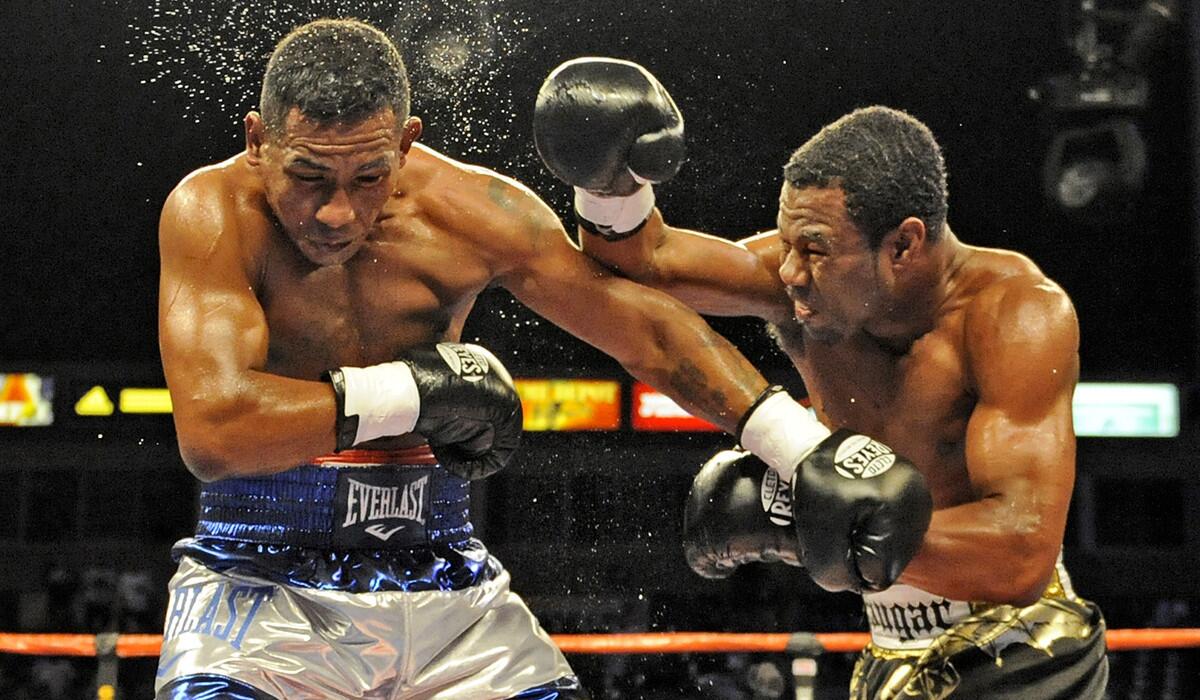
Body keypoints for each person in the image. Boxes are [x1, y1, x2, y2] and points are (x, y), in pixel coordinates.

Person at [154, 20, 932, 700]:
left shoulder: (474, 213)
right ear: (259, 142)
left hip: (443, 579)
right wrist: (414, 395)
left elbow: (643, 330)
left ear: (406, 144)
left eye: (368, 178)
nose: (335, 211)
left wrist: (799, 449)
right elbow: (214, 432)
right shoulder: (212, 214)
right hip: (254, 578)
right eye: (308, 176)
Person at [535, 58, 1109, 697]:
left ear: (903, 245)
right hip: (891, 644)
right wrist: (609, 181)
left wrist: (791, 529)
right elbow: (647, 266)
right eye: (785, 243)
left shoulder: (1014, 316)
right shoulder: (805, 289)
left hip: (1022, 648)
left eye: (814, 249)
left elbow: (1020, 554)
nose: (788, 272)